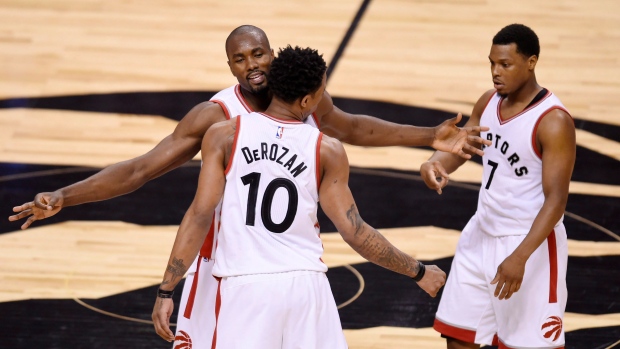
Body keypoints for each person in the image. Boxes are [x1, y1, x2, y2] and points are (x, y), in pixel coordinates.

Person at [8, 25, 488, 348]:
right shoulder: (215, 117)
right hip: (220, 269)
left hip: (275, 270)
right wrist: (66, 196)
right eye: (239, 59)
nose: (251, 64)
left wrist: (429, 135)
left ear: (272, 55)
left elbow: (354, 127)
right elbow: (139, 171)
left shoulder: (302, 99)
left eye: (258, 53)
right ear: (231, 67)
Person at [152, 45, 446, 348]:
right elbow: (356, 233)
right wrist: (418, 271)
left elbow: (200, 215)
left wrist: (166, 290)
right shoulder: (325, 149)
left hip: (246, 289)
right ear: (307, 100)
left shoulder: (224, 135)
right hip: (307, 288)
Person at [421, 24, 575, 349]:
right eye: (491, 63)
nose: (495, 72)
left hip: (529, 244)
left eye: (505, 64)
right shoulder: (488, 101)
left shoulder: (553, 122)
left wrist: (520, 257)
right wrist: (436, 164)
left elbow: (556, 201)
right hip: (481, 233)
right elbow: (464, 147)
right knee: (459, 338)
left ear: (531, 62)